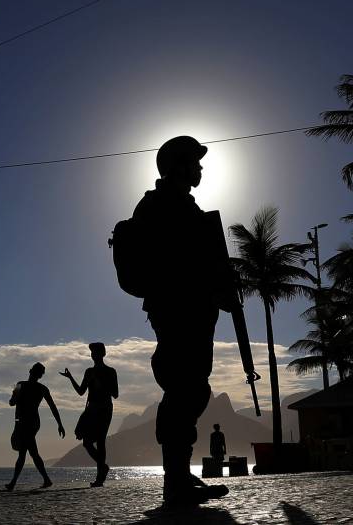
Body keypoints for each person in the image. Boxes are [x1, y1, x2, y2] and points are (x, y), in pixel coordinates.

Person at [132, 135, 230, 505]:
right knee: (183, 390)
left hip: (195, 310)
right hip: (176, 310)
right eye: (195, 162)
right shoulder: (159, 205)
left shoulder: (184, 205)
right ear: (178, 166)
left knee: (192, 389)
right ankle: (175, 482)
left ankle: (180, 477)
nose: (200, 168)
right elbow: (174, 264)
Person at [61, 342, 118, 487]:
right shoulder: (89, 372)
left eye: (96, 352)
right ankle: (103, 467)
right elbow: (81, 392)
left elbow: (115, 394)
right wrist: (70, 378)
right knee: (87, 442)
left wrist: (102, 383)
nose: (94, 355)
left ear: (103, 354)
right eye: (92, 353)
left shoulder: (111, 371)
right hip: (91, 410)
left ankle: (100, 477)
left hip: (105, 409)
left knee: (100, 441)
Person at [6, 362, 65, 491]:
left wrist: (60, 424)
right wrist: (59, 424)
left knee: (24, 453)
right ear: (40, 375)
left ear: (30, 371)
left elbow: (12, 402)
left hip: (27, 423)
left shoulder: (21, 385)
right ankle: (45, 479)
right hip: (28, 422)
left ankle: (13, 483)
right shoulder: (37, 388)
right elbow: (53, 407)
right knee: (31, 452)